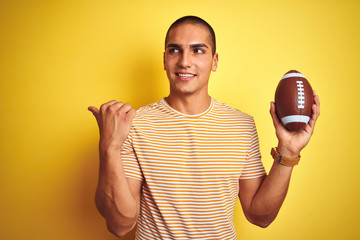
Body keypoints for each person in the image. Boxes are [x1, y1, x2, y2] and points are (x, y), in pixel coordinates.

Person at [88, 16, 320, 240]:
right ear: (164, 59)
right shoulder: (134, 124)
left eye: (197, 50)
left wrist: (288, 153)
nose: (184, 61)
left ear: (215, 61)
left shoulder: (242, 125)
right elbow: (120, 224)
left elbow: (260, 216)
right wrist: (109, 146)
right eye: (174, 50)